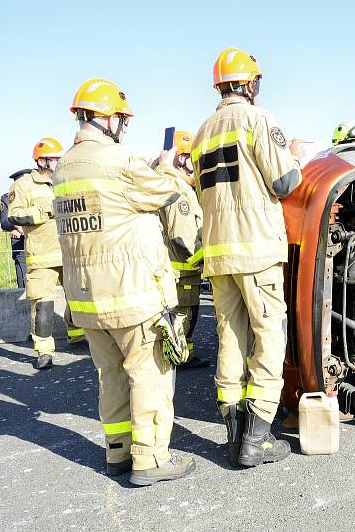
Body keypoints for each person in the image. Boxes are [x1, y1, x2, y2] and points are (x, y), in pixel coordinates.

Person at [53, 78, 195, 485]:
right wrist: (167, 168)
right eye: (122, 120)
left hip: (87, 299)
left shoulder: (63, 167)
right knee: (149, 373)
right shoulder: (118, 159)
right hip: (132, 294)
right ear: (108, 118)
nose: (124, 129)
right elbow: (165, 192)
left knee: (110, 375)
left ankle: (117, 452)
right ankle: (150, 460)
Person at [192, 47, 301, 467]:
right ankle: (257, 440)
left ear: (220, 86)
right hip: (256, 249)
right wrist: (295, 156)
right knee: (269, 338)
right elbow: (286, 181)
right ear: (250, 84)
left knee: (231, 339)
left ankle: (234, 434)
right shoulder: (259, 118)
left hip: (218, 253)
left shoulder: (202, 130)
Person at [7, 139, 85, 369]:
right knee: (43, 305)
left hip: (71, 253)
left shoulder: (67, 181)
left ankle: (77, 335)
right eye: (56, 158)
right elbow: (14, 216)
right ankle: (44, 350)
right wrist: (46, 211)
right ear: (42, 161)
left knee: (78, 299)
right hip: (43, 257)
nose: (60, 162)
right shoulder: (23, 185)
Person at [155, 130, 208, 369]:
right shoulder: (178, 188)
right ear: (180, 158)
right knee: (185, 314)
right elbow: (182, 237)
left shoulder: (164, 182)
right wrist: (203, 262)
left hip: (174, 268)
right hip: (182, 269)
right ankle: (182, 356)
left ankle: (182, 352)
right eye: (191, 156)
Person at [1, 170, 29, 288]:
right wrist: (16, 226)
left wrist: (22, 229)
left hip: (39, 245)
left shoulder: (35, 196)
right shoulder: (8, 198)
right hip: (20, 248)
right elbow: (4, 222)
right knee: (23, 285)